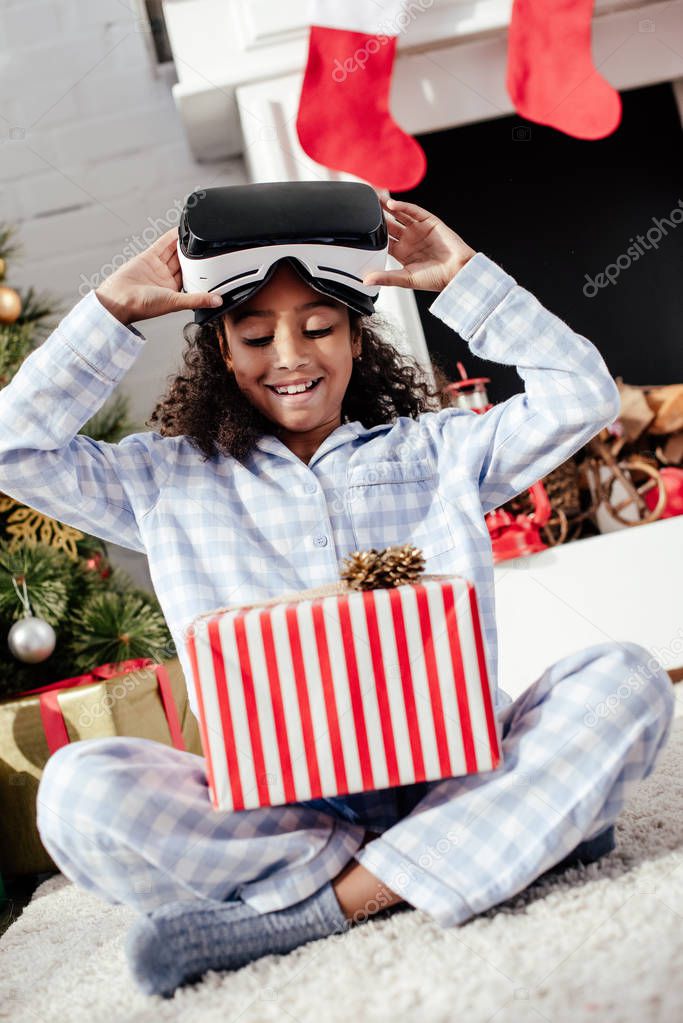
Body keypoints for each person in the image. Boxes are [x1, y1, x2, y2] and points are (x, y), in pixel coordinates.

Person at [1, 194, 673, 998]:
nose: (289, 355)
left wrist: (461, 279)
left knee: (625, 682)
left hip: (456, 766)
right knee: (77, 793)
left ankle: (320, 909)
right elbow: (13, 448)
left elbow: (582, 396)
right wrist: (110, 311)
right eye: (255, 336)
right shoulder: (162, 479)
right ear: (221, 348)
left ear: (357, 336)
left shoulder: (441, 450)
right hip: (284, 816)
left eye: (318, 327)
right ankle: (504, 839)